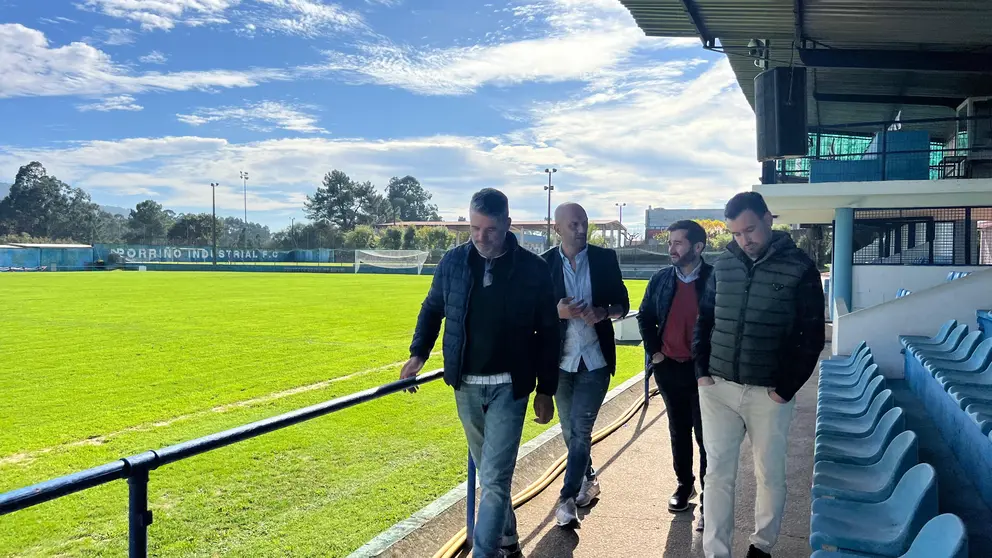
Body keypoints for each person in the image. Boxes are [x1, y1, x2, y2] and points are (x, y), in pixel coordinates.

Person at [400, 188, 560, 558]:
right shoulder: (453, 262)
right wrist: (418, 353)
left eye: (490, 229)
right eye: (474, 228)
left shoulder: (533, 269)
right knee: (493, 480)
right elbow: (432, 308)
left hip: (511, 386)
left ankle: (484, 552)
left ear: (507, 223)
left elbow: (549, 331)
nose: (481, 237)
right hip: (466, 386)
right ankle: (508, 539)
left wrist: (546, 390)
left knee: (494, 479)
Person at [693, 192, 825, 558]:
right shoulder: (722, 266)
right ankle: (716, 551)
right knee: (717, 473)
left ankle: (762, 546)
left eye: (749, 230)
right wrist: (702, 372)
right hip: (717, 388)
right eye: (736, 234)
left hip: (769, 392)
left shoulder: (801, 268)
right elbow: (704, 320)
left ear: (769, 218)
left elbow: (812, 334)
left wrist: (784, 389)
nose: (744, 240)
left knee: (769, 474)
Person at [541, 202, 629, 528]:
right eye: (574, 225)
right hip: (560, 363)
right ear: (558, 229)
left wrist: (603, 312)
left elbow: (624, 303)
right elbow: (532, 313)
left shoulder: (605, 259)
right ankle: (589, 479)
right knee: (569, 431)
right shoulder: (544, 264)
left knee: (581, 431)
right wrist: (557, 311)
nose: (581, 230)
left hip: (595, 361)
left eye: (584, 224)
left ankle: (565, 500)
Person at [636, 220, 712, 531]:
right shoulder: (661, 279)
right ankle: (685, 485)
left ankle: (711, 499)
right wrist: (655, 354)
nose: (672, 249)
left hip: (704, 373)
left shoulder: (715, 279)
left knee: (707, 436)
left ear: (698, 247)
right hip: (669, 369)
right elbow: (645, 316)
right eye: (670, 243)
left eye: (678, 243)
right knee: (678, 431)